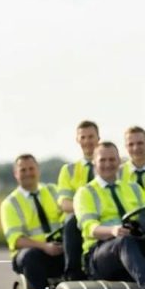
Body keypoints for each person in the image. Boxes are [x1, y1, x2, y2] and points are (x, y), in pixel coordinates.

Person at [74, 142, 145, 289]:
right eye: (102, 160)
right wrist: (112, 230)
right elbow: (89, 227)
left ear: (119, 161)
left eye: (112, 159)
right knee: (124, 241)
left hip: (135, 243)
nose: (108, 164)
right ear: (94, 163)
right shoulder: (85, 193)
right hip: (100, 252)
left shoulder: (134, 188)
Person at [0, 154, 65, 289]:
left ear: (38, 170)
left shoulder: (53, 190)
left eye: (31, 169)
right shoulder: (10, 203)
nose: (28, 173)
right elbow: (16, 240)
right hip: (33, 253)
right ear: (16, 174)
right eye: (23, 170)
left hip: (59, 247)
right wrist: (45, 246)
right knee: (30, 256)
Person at [56, 120, 99, 280]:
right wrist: (88, 212)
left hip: (106, 216)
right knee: (71, 221)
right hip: (78, 219)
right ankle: (72, 273)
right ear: (77, 140)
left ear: (98, 138)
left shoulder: (110, 166)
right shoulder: (68, 170)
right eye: (83, 137)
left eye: (91, 136)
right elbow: (65, 204)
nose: (87, 141)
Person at [120, 126, 145, 201]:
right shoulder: (118, 173)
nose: (135, 148)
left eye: (140, 143)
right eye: (131, 144)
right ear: (126, 147)